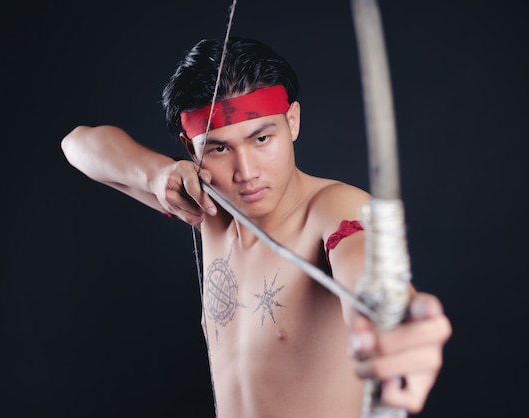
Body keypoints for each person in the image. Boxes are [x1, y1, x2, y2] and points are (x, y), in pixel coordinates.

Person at [61, 36, 451, 417]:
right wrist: (156, 175)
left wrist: (397, 325)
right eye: (218, 148)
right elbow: (77, 145)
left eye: (262, 138)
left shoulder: (334, 209)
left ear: (292, 121)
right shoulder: (207, 211)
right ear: (189, 148)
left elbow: (370, 281)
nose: (245, 173)